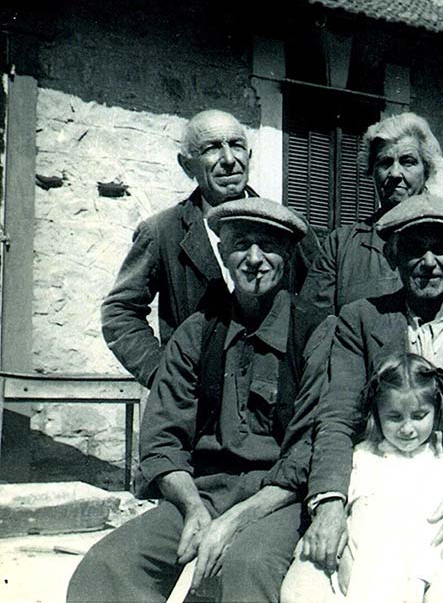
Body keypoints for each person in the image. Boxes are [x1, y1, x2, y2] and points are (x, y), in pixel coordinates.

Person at [68, 198, 328, 602]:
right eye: (241, 244)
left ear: (290, 254)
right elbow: (161, 440)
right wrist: (192, 508)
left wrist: (233, 522)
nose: (254, 258)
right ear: (223, 253)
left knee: (248, 564)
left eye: (269, 245)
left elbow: (309, 450)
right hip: (203, 492)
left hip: (279, 499)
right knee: (109, 564)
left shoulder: (315, 334)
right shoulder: (197, 333)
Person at [281, 194, 443, 602]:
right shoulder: (363, 319)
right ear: (392, 255)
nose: (429, 261)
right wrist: (331, 504)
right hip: (376, 492)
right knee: (305, 587)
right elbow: (335, 418)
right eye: (414, 248)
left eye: (440, 247)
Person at [101, 109, 314, 387]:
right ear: (186, 165)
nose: (228, 160)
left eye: (236, 145)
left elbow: (318, 300)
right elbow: (120, 312)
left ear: (249, 156)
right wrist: (163, 373)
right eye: (212, 148)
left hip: (273, 396)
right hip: (197, 403)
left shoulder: (288, 225)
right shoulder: (161, 232)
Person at [325, 352, 443, 603]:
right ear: (377, 414)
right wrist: (346, 556)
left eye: (419, 416)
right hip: (373, 566)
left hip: (433, 562)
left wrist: (420, 577)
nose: (407, 429)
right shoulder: (362, 459)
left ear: (436, 411)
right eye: (395, 417)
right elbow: (351, 518)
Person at [298, 112, 440, 314]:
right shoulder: (340, 245)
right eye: (385, 163)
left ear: (426, 169)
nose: (395, 174)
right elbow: (313, 323)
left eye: (407, 161)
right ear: (371, 171)